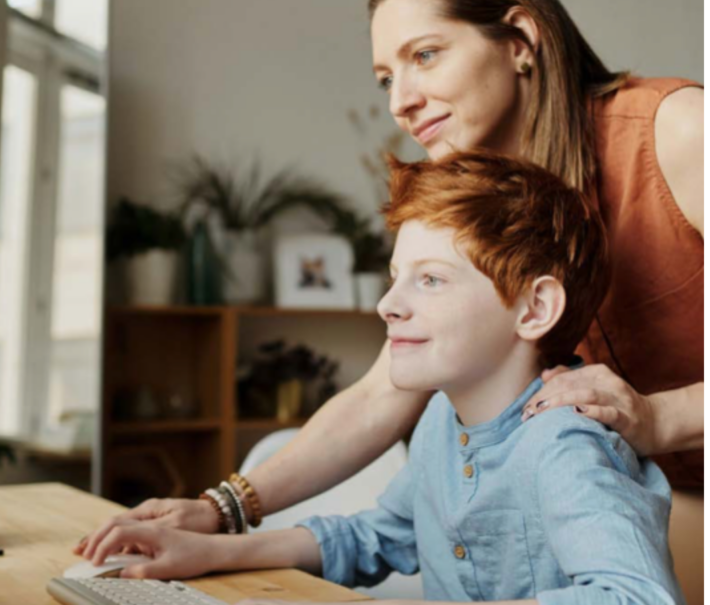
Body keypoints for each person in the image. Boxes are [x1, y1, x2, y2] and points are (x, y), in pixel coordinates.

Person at [78, 0, 703, 600]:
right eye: (385, 77)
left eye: (425, 55)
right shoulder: (492, 205)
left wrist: (660, 417)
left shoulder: (677, 132)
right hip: (641, 498)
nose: (398, 100)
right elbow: (383, 395)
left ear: (519, 40)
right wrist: (220, 511)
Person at [84, 151, 684, 604]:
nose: (388, 305)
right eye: (395, 277)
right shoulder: (441, 424)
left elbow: (637, 596)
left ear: (533, 310)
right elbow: (378, 536)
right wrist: (213, 552)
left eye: (430, 279)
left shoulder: (564, 444)